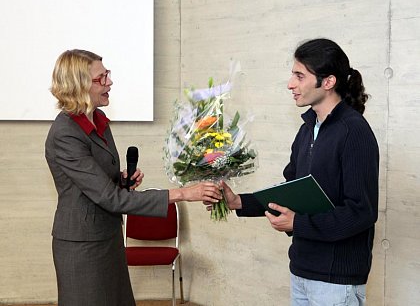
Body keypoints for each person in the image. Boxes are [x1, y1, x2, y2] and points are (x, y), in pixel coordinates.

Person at [45, 49, 222, 306]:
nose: (109, 82)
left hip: (108, 237)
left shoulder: (99, 119)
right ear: (78, 84)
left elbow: (95, 182)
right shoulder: (65, 134)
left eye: (107, 75)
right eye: (100, 78)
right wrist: (183, 193)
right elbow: (109, 198)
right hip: (81, 247)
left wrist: (120, 179)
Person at [211, 38, 379, 305]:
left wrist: (298, 223)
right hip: (301, 270)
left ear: (328, 82)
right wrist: (238, 202)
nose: (291, 84)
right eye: (292, 75)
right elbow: (290, 192)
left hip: (335, 281)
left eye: (299, 76)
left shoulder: (354, 131)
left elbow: (361, 212)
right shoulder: (307, 128)